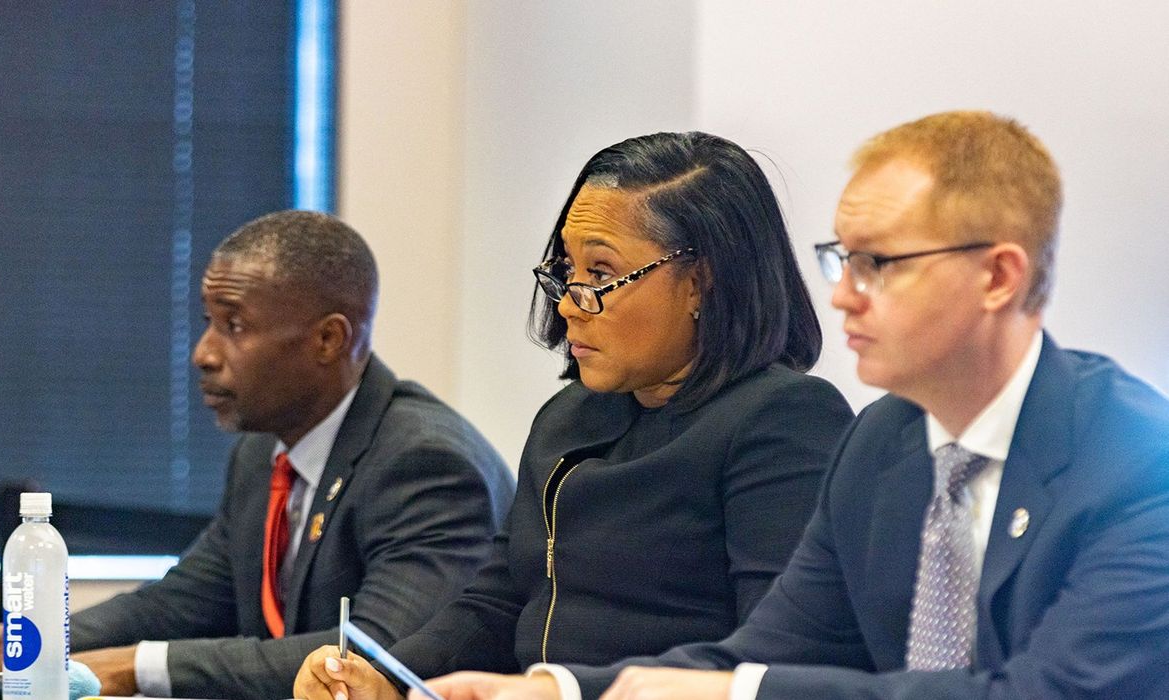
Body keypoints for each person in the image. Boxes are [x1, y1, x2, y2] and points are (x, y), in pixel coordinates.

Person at [423, 111, 1169, 700]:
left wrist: (734, 689)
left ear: (998, 277)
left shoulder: (1136, 463)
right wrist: (558, 689)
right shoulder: (883, 442)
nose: (842, 294)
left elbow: (1050, 692)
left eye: (877, 263)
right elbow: (771, 651)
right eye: (839, 259)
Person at [293, 131, 856, 700]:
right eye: (568, 269)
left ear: (699, 284)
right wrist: (385, 674)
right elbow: (499, 602)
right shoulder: (568, 416)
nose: (568, 302)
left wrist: (565, 690)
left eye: (602, 274)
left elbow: (775, 654)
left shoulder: (784, 419)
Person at [0, 210, 515, 700]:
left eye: (234, 326)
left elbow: (365, 656)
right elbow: (180, 602)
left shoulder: (428, 465)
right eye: (210, 323)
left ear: (328, 339)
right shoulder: (264, 452)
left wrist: (134, 667)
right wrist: (24, 642)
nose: (204, 354)